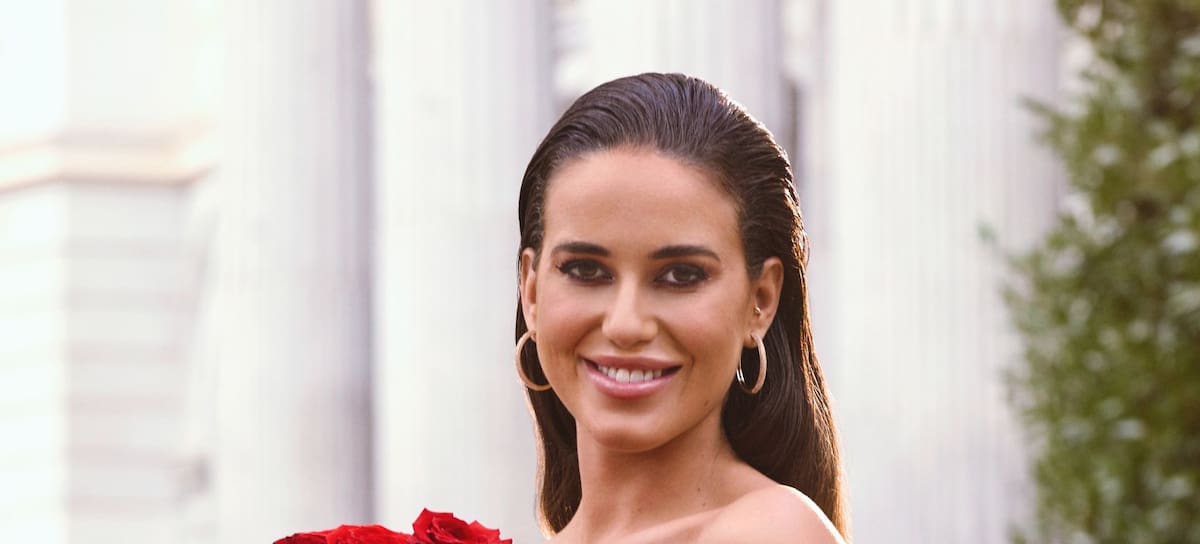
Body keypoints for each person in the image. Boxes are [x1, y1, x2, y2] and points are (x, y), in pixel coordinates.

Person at [514, 73, 848, 543]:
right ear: (531, 292)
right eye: (586, 270)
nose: (626, 324)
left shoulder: (771, 531)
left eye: (681, 276)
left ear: (761, 300)